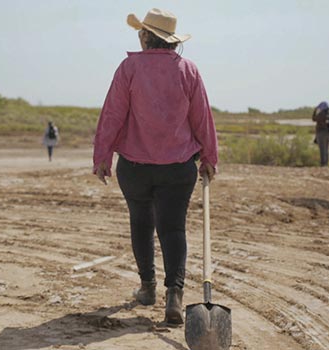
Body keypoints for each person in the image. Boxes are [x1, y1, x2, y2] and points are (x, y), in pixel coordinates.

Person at [92, 8, 218, 326]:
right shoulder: (188, 69)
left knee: (142, 223)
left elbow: (112, 115)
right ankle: (173, 297)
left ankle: (147, 287)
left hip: (134, 166)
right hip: (178, 167)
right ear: (172, 41)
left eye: (141, 32)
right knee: (172, 229)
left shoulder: (129, 67)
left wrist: (102, 156)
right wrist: (209, 157)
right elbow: (202, 117)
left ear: (146, 36)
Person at [312, 102, 329, 166]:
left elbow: (314, 118)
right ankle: (326, 163)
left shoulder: (322, 114)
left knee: (322, 149)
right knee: (326, 149)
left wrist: (315, 111)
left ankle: (323, 164)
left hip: (321, 133)